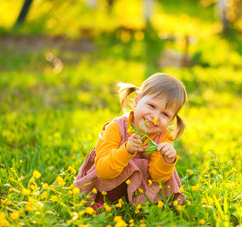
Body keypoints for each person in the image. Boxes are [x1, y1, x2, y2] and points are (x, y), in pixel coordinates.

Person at [74, 73, 187, 207]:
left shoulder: (163, 137)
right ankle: (102, 202)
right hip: (111, 181)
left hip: (142, 189)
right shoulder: (116, 128)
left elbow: (158, 178)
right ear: (137, 100)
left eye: (165, 114)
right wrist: (126, 150)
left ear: (171, 119)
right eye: (151, 106)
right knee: (122, 167)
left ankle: (144, 206)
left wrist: (167, 161)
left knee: (166, 188)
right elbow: (103, 170)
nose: (155, 117)